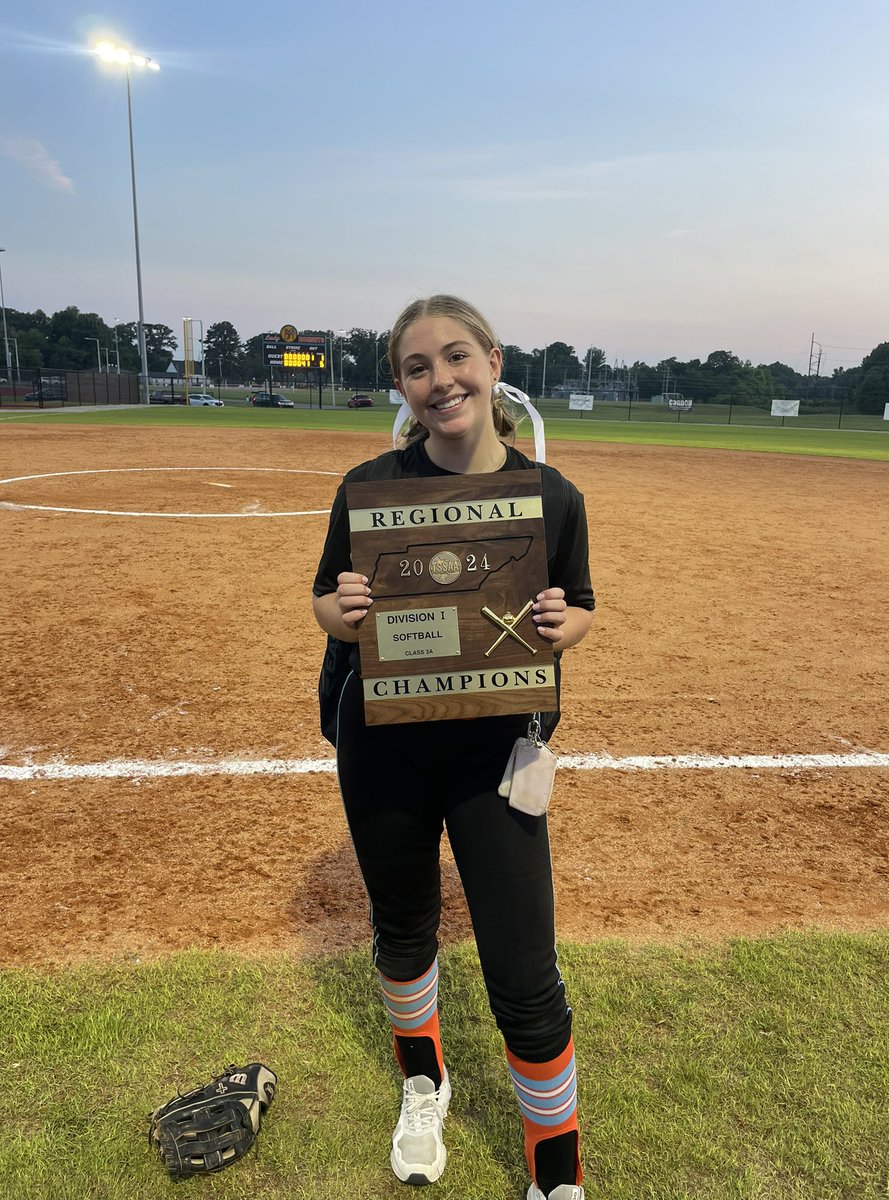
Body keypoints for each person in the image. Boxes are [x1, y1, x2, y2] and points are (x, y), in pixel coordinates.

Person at [312, 295, 595, 1200]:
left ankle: (557, 1174)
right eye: (417, 367)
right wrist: (343, 611)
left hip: (494, 755)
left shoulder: (550, 495)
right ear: (400, 384)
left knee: (524, 970)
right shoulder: (369, 487)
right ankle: (425, 1087)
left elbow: (580, 604)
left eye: (456, 357)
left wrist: (562, 622)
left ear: (494, 361)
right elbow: (325, 601)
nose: (441, 381)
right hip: (386, 744)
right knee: (403, 930)